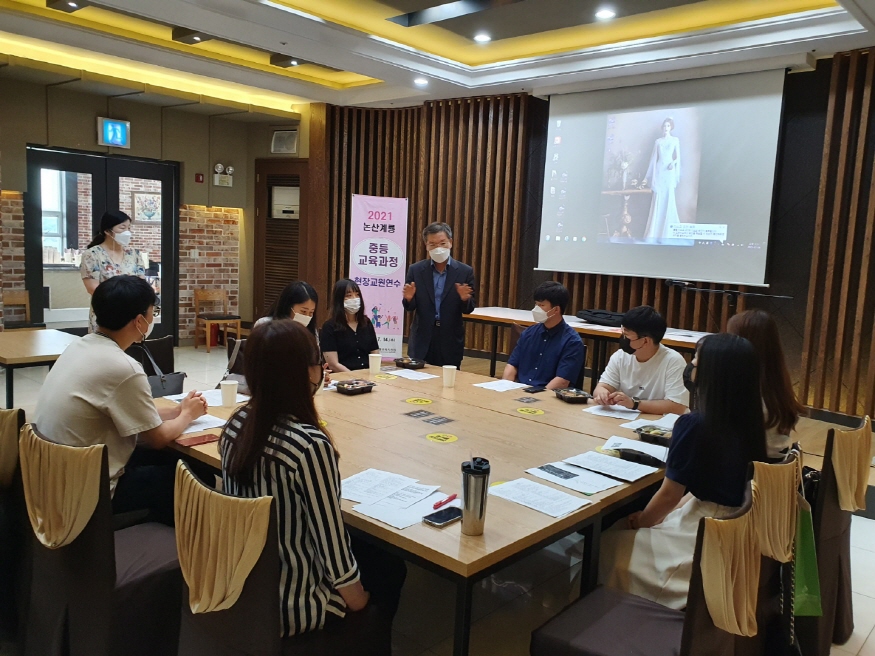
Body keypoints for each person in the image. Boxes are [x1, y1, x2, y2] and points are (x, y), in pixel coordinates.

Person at [220, 321, 406, 651]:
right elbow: (333, 549)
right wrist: (358, 600)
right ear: (304, 373)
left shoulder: (235, 425)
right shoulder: (308, 446)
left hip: (242, 590)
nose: (323, 370)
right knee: (391, 567)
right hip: (293, 607)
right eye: (318, 362)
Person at [598, 333, 768, 609]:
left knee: (608, 543)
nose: (692, 366)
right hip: (733, 527)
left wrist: (642, 521)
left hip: (703, 535)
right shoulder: (752, 419)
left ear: (713, 374)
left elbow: (669, 494)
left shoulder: (695, 425)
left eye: (697, 361)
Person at [33, 275, 207, 525]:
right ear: (139, 321)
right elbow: (157, 438)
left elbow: (129, 412)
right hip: (87, 490)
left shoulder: (79, 346)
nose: (153, 318)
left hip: (55, 475)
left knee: (177, 462)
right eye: (152, 311)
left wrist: (178, 410)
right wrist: (188, 415)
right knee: (194, 477)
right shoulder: (124, 367)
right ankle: (163, 539)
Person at [727, 309, 807, 459]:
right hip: (773, 465)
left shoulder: (748, 394)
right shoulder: (775, 383)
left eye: (730, 338)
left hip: (752, 469)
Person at [402, 222, 476, 368]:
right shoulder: (416, 270)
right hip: (422, 338)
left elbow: (469, 308)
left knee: (448, 380)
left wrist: (465, 299)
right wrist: (408, 299)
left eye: (442, 243)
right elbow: (409, 307)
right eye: (433, 244)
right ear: (426, 246)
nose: (438, 248)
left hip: (450, 339)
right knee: (417, 378)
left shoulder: (465, 271)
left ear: (451, 242)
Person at [593, 305, 688, 414]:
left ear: (645, 341)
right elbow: (601, 387)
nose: (623, 339)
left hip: (659, 421)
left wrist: (635, 404)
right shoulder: (620, 356)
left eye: (627, 336)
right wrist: (602, 394)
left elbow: (677, 406)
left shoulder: (673, 361)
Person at [501, 281, 584, 389]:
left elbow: (562, 381)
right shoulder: (528, 333)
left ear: (556, 310)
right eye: (536, 304)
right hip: (520, 390)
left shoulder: (572, 341)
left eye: (541, 305)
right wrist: (505, 387)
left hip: (548, 394)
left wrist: (537, 396)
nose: (536, 309)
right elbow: (512, 365)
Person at [80, 210, 146, 333]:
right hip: (106, 313)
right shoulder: (92, 254)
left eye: (128, 228)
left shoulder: (134, 254)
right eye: (122, 228)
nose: (127, 232)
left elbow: (141, 284)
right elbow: (93, 288)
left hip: (132, 313)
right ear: (107, 231)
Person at [321, 279, 380, 372]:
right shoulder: (329, 327)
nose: (354, 299)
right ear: (339, 299)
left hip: (367, 375)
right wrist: (354, 377)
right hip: (343, 377)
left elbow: (375, 353)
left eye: (357, 295)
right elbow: (333, 364)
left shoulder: (366, 322)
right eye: (349, 296)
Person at [642, 118, 681, 241]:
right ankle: (654, 233)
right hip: (659, 171)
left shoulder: (675, 140)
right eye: (664, 126)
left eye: (668, 125)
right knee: (658, 198)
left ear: (671, 127)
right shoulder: (658, 142)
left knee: (668, 198)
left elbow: (678, 157)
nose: (666, 128)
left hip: (669, 172)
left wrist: (673, 163)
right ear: (662, 127)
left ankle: (666, 234)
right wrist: (649, 176)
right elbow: (654, 159)